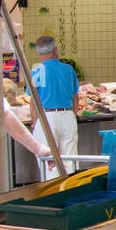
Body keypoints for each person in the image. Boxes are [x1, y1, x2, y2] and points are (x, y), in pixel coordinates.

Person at [27, 35, 80, 179]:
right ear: (55, 50)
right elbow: (76, 97)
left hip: (46, 117)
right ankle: (69, 190)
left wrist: (34, 122)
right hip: (67, 116)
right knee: (70, 159)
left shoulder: (38, 71)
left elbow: (34, 101)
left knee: (49, 162)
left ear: (38, 52)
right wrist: (73, 115)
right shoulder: (68, 69)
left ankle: (52, 192)